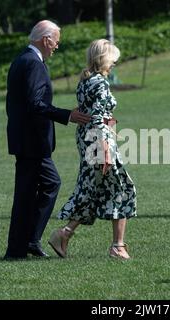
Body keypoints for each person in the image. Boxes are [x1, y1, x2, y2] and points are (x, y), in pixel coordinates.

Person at [4, 20, 91, 260]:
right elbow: (35, 104)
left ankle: (25, 244)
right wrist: (68, 115)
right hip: (32, 143)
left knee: (40, 188)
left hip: (27, 142)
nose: (56, 47)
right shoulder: (32, 63)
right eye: (56, 43)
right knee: (38, 190)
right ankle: (22, 245)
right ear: (46, 40)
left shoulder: (23, 59)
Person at [49, 39, 137, 260]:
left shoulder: (85, 80)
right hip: (99, 138)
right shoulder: (99, 82)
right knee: (120, 188)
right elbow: (98, 118)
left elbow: (85, 111)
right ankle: (116, 246)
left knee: (94, 188)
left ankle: (66, 234)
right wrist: (105, 148)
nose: (116, 62)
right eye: (113, 58)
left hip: (87, 137)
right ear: (104, 58)